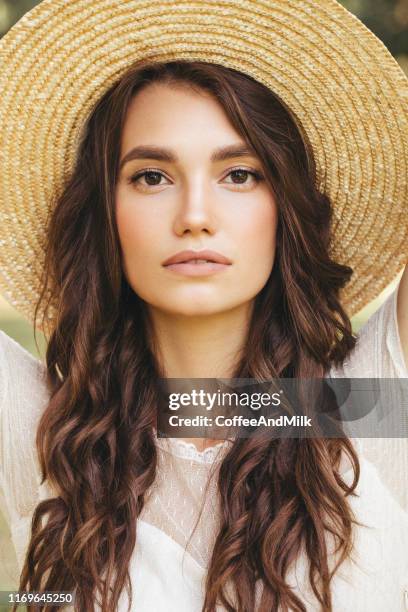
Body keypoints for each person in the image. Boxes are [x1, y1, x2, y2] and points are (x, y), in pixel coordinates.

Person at [0, 1, 407, 611]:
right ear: (103, 214)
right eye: (151, 177)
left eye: (239, 174)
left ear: (286, 207)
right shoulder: (49, 429)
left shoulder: (367, 406)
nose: (194, 217)